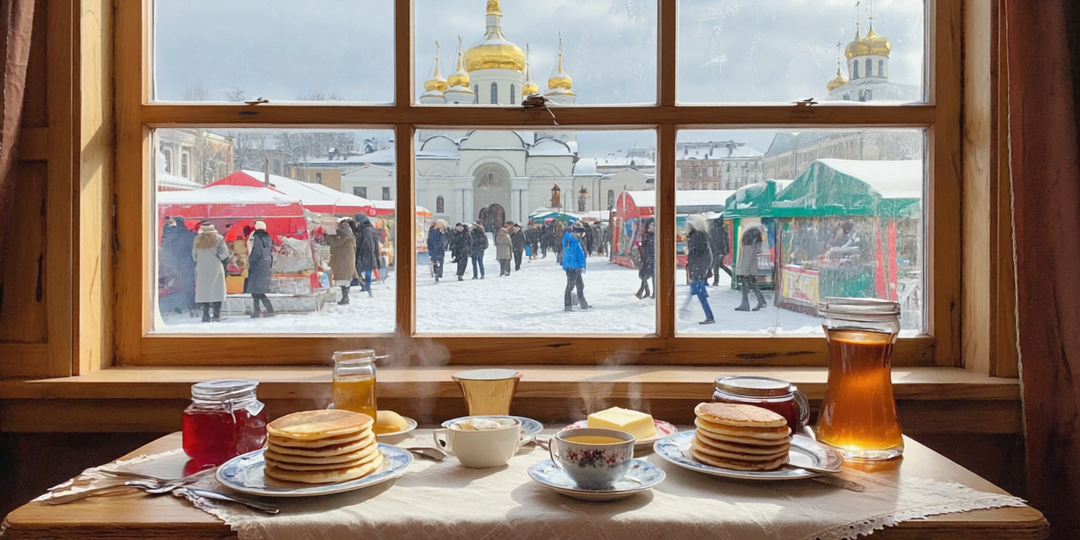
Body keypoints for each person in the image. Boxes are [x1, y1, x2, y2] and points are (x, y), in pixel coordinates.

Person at [192, 223, 229, 322]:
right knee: (217, 290)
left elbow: (194, 256)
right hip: (215, 267)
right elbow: (224, 254)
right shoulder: (219, 238)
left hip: (201, 267)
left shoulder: (197, 239)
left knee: (204, 291)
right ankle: (216, 315)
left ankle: (206, 315)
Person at [159, 217, 196, 315]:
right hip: (189, 264)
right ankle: (190, 307)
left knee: (174, 286)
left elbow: (165, 252)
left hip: (175, 265)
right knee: (189, 286)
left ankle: (175, 307)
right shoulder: (189, 235)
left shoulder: (168, 237)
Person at [685, 215, 715, 324]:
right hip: (698, 268)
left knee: (699, 293)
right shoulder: (697, 235)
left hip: (698, 269)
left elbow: (701, 254)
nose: (686, 225)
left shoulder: (698, 236)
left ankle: (709, 316)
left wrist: (700, 269)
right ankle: (687, 310)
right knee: (697, 291)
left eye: (687, 223)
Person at [246, 220, 275, 318]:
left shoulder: (256, 237)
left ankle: (268, 310)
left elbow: (256, 252)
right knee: (257, 289)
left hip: (257, 265)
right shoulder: (268, 237)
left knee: (257, 290)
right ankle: (258, 309)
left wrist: (251, 261)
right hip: (265, 265)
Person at [735, 226, 768, 312]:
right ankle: (760, 301)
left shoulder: (747, 248)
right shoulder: (753, 246)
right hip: (750, 271)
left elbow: (745, 262)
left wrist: (744, 273)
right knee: (751, 286)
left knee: (746, 286)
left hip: (747, 271)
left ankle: (747, 304)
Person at [562, 222, 591, 311]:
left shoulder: (576, 241)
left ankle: (583, 304)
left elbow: (580, 255)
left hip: (576, 267)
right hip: (572, 267)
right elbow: (573, 254)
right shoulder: (569, 240)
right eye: (579, 233)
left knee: (580, 285)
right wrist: (569, 231)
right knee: (570, 286)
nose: (581, 235)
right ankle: (567, 305)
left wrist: (581, 266)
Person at [328, 217, 357, 304]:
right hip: (347, 259)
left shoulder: (343, 235)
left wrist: (328, 237)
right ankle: (345, 297)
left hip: (343, 259)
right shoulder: (349, 234)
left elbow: (336, 242)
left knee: (343, 278)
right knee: (345, 279)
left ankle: (345, 298)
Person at [353, 214, 381, 297]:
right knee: (367, 270)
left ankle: (367, 286)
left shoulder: (366, 230)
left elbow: (364, 243)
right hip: (371, 254)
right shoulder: (369, 228)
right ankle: (366, 286)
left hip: (366, 253)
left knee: (365, 270)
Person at [636, 220, 656, 299]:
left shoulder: (657, 235)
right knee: (644, 275)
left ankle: (653, 293)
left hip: (654, 257)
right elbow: (643, 247)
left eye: (653, 225)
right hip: (646, 257)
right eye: (650, 224)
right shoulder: (645, 235)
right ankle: (645, 291)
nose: (652, 226)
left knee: (654, 276)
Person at [709, 217, 732, 286]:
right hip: (721, 250)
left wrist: (712, 249)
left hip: (715, 250)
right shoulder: (723, 230)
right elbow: (726, 241)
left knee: (715, 265)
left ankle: (715, 281)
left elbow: (711, 241)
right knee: (719, 265)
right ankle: (732, 275)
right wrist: (726, 250)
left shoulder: (712, 230)